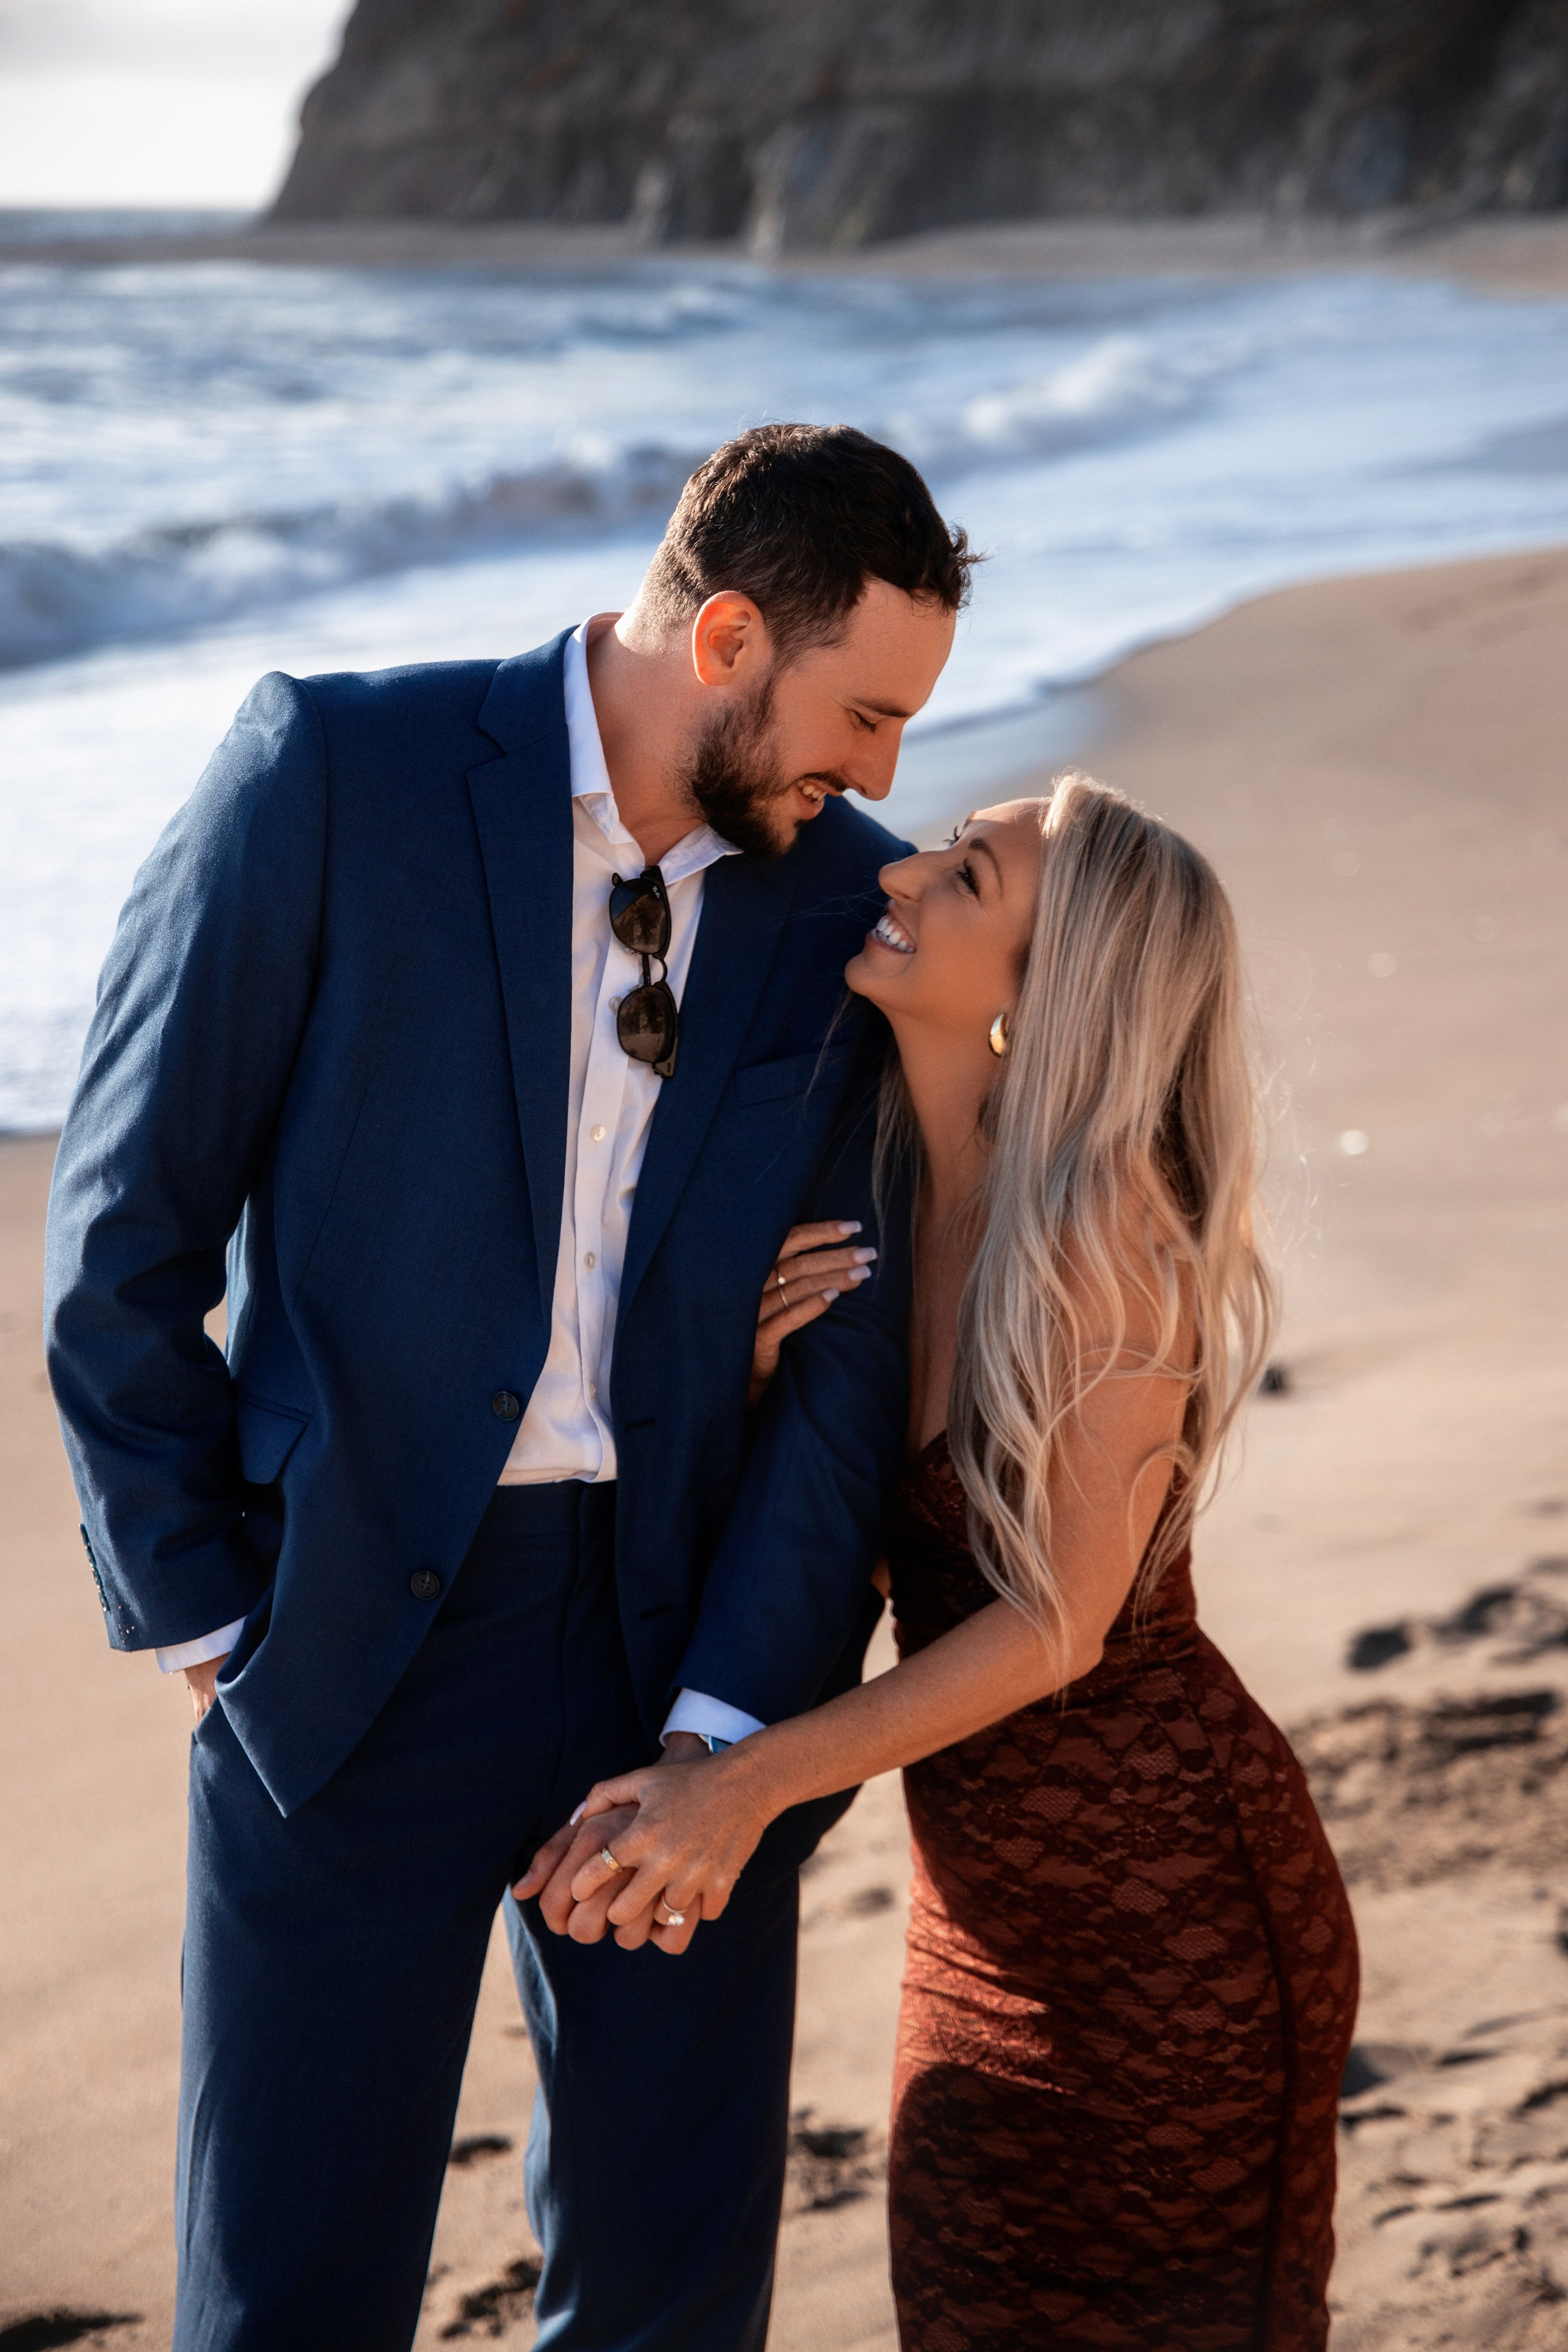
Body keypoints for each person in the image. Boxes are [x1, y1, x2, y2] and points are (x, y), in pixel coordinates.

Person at [43, 423, 976, 2352]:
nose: (883, 779)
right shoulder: (336, 777)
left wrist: (730, 1733)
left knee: (669, 2295)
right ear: (726, 636)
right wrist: (211, 1614)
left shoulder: (843, 911)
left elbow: (846, 1376)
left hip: (676, 1654)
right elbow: (123, 1221)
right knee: (287, 2294)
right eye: (863, 716)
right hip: (337, 1648)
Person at [547, 776, 1360, 2351]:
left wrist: (747, 1781)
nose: (905, 866)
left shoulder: (1097, 1231)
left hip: (1167, 1907)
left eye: (968, 875)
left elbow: (1054, 1623)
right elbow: (853, 1542)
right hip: (984, 1907)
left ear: (1043, 994)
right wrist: (756, 1388)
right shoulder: (883, 1189)